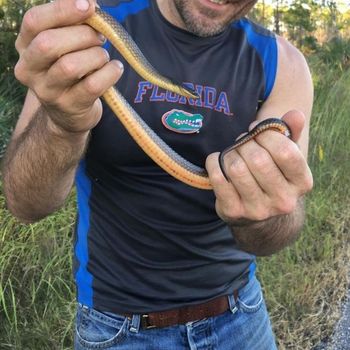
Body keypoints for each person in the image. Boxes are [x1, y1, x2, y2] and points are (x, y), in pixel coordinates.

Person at [2, 0, 314, 348]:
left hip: (241, 315)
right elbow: (26, 205)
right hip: (115, 327)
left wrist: (262, 213)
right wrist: (62, 125)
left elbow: (279, 230)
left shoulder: (282, 64)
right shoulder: (87, 33)